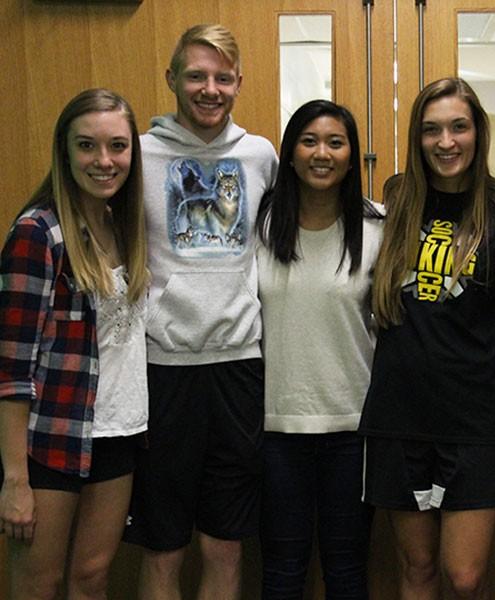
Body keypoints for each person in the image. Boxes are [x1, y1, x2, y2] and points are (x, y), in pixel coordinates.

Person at [358, 77, 495, 599]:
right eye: (431, 130)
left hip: (476, 417)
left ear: (479, 132)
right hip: (399, 413)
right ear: (417, 138)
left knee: (465, 575)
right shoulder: (397, 199)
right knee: (417, 569)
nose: (446, 142)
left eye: (459, 127)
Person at [122, 24, 278, 600]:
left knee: (225, 545)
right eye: (196, 76)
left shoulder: (260, 155)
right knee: (164, 547)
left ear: (238, 83)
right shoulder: (139, 152)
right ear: (172, 80)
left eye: (222, 77)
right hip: (163, 370)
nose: (209, 89)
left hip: (239, 368)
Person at [0, 88, 149, 600]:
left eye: (117, 146)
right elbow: (11, 368)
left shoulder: (123, 224)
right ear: (64, 152)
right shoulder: (37, 233)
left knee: (92, 578)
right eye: (87, 146)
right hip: (51, 439)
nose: (104, 161)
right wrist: (14, 478)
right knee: (38, 584)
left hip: (118, 433)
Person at [256, 100, 382, 598]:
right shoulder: (259, 226)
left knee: (347, 571)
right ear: (290, 153)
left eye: (336, 142)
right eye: (309, 141)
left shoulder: (378, 228)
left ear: (352, 156)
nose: (322, 153)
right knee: (283, 571)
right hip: (275, 428)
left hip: (353, 429)